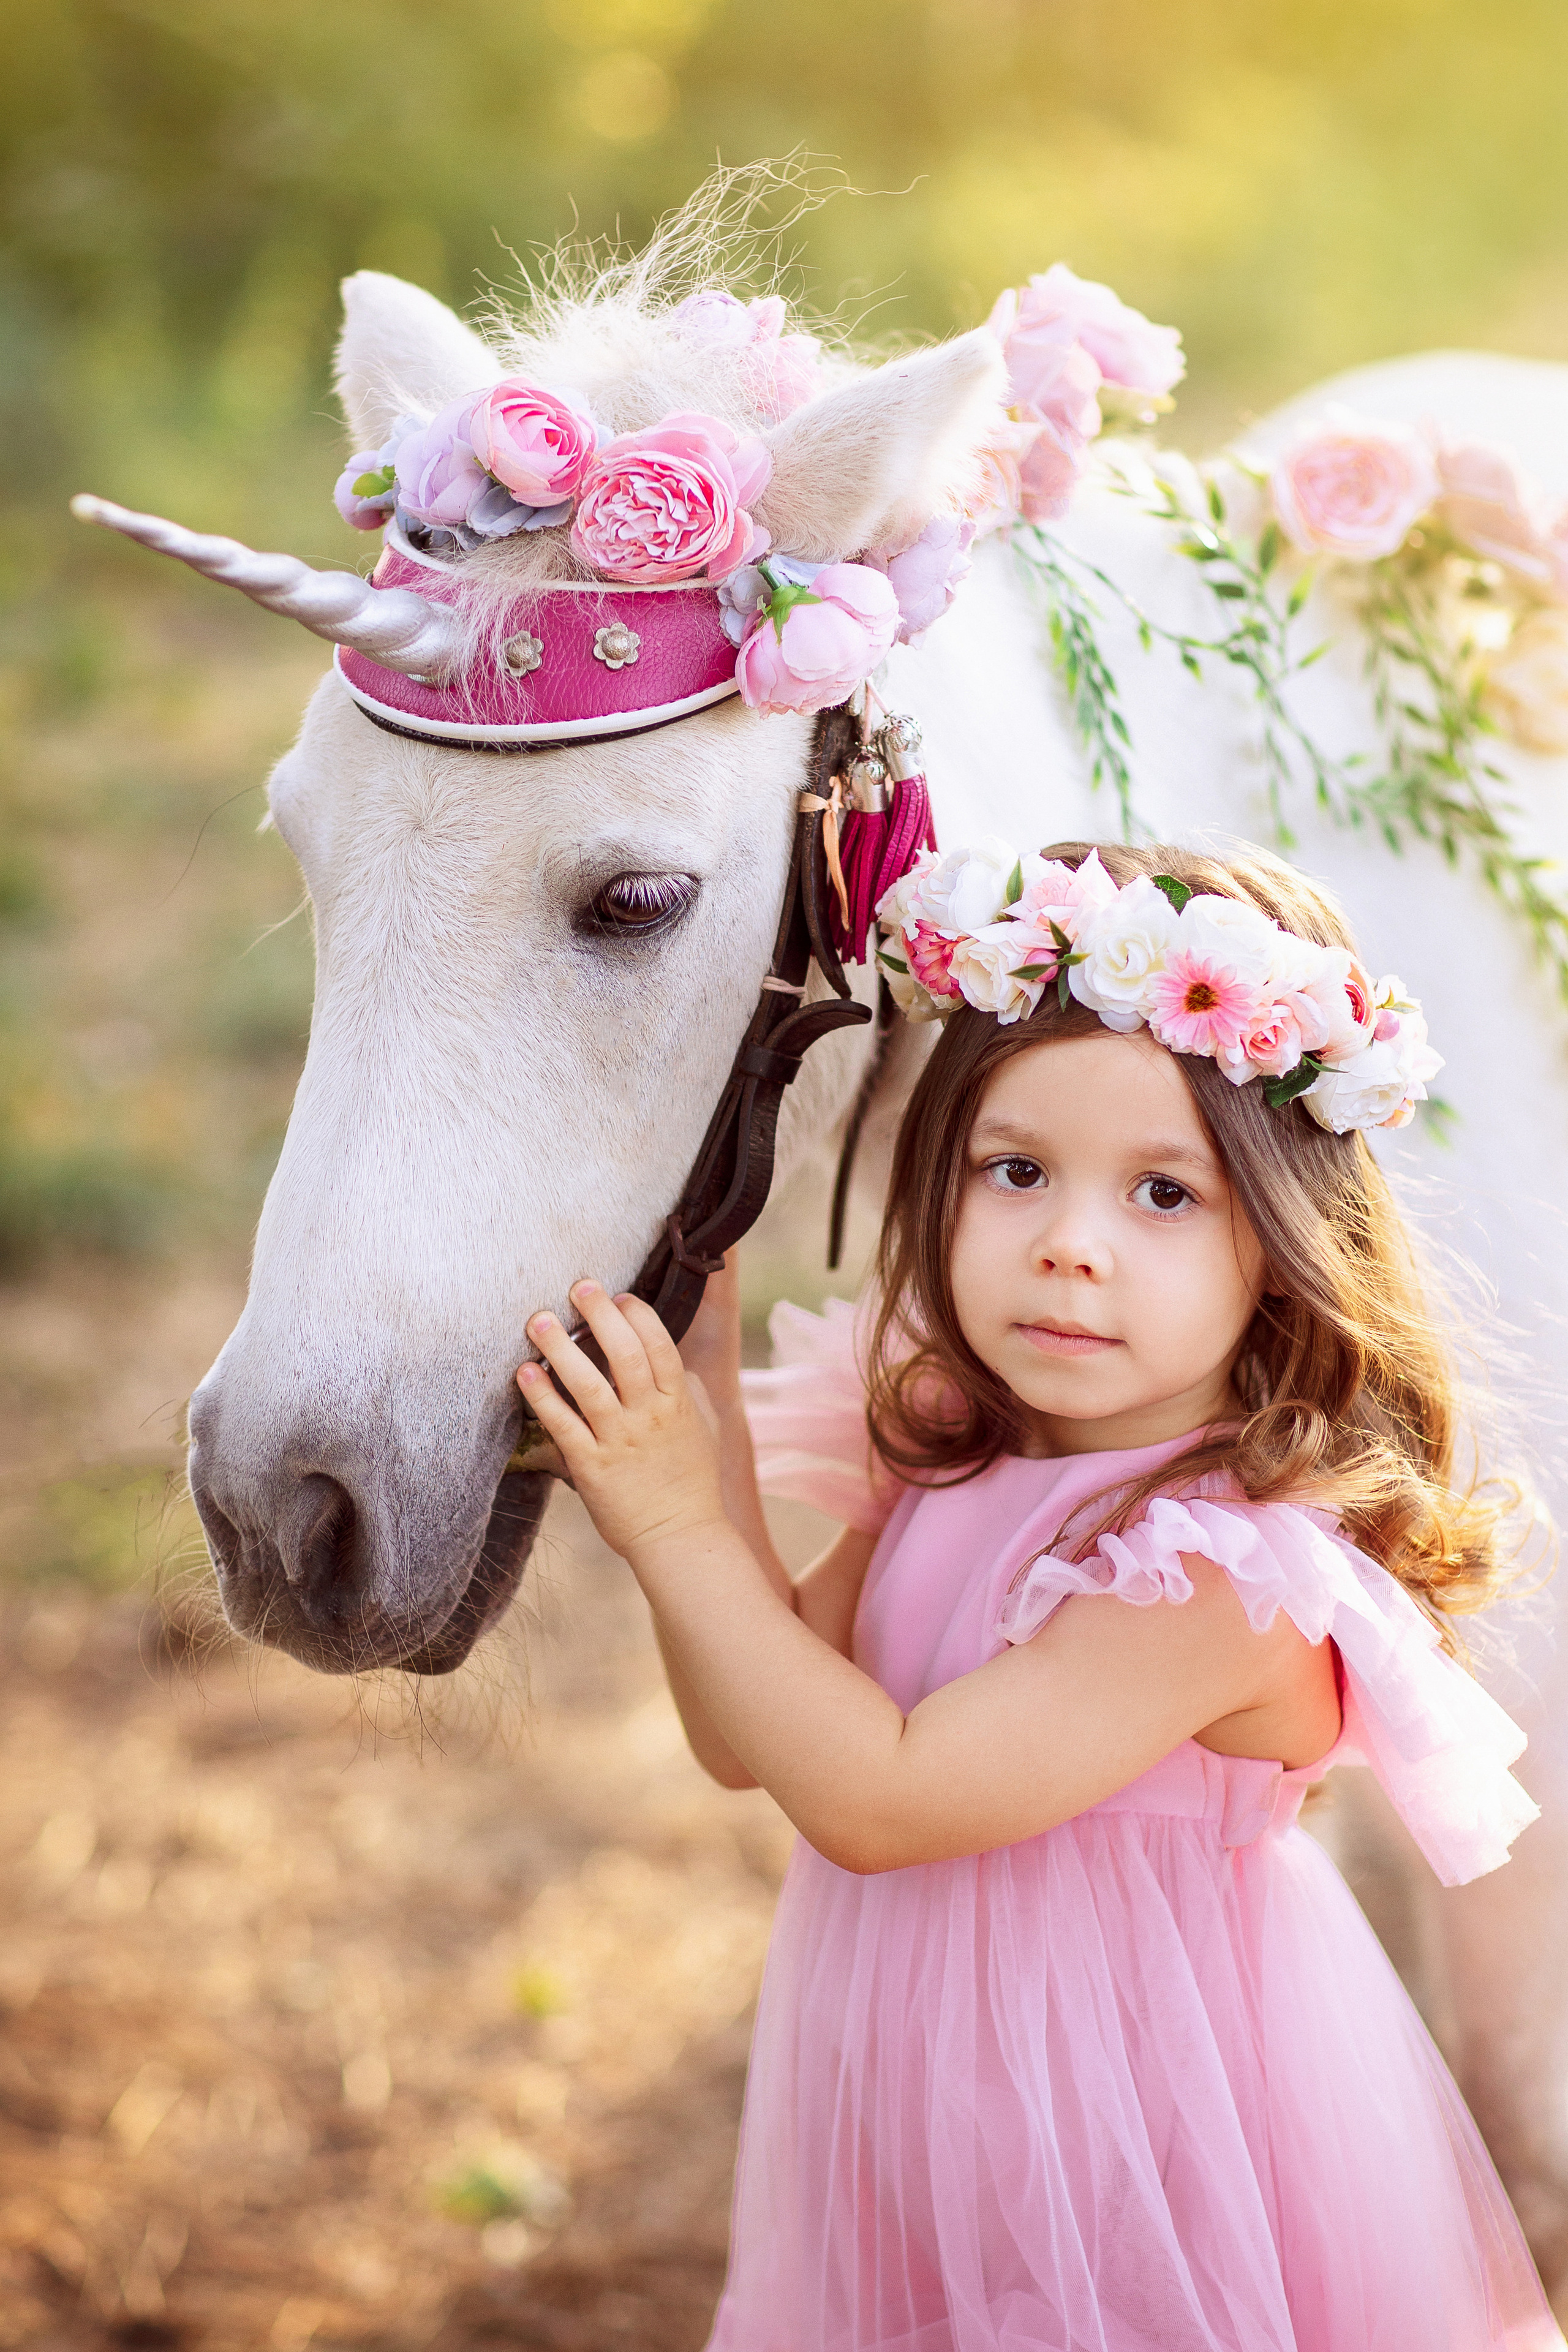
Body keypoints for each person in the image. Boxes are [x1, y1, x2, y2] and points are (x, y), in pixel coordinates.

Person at [516, 838, 1566, 2350]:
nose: (1070, 1247)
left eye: (1162, 1194)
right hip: (931, 2121)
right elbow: (751, 1735)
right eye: (1014, 1172)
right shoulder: (960, 1452)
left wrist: (676, 1524)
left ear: (1281, 1247)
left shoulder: (1215, 1570)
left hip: (1146, 2159)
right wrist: (709, 1410)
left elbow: (881, 1800)